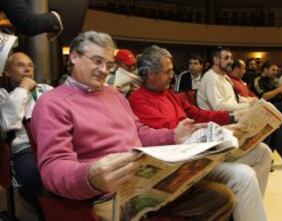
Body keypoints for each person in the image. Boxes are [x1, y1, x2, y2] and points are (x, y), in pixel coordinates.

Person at [31, 31, 236, 221]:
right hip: (106, 192)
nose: (104, 70)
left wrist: (174, 135)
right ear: (74, 57)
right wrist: (90, 176)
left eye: (109, 64)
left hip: (143, 181)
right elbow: (52, 167)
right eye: (97, 61)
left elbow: (139, 133)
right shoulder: (52, 103)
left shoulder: (115, 95)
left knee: (220, 196)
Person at [129, 45, 271, 221]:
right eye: (168, 72)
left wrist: (231, 116)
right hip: (186, 161)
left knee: (263, 152)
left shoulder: (168, 94)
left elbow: (197, 113)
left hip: (202, 149)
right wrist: (216, 130)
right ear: (151, 74)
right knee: (244, 175)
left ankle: (248, 210)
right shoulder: (139, 99)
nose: (172, 76)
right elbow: (172, 134)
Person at [197, 48, 282, 169]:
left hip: (234, 113)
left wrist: (253, 101)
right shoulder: (211, 78)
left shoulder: (225, 77)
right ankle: (265, 159)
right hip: (222, 120)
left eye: (231, 58)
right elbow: (219, 107)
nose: (231, 61)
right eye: (226, 58)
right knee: (265, 123)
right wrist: (248, 105)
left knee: (273, 122)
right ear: (216, 60)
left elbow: (235, 98)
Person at [0, 52, 52, 221]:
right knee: (33, 178)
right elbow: (7, 123)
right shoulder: (3, 95)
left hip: (53, 144)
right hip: (25, 149)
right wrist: (23, 89)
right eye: (20, 65)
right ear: (7, 71)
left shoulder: (46, 90)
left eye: (30, 65)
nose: (27, 69)